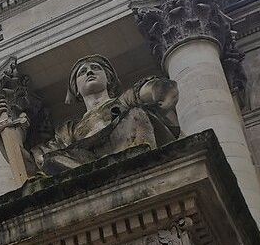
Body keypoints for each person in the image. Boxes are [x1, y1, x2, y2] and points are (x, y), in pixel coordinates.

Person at [32, 54, 179, 175]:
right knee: (52, 159)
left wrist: (158, 89)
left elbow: (143, 92)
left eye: (96, 68)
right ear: (75, 89)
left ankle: (140, 157)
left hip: (127, 148)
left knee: (136, 113)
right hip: (88, 163)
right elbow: (39, 157)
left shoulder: (123, 101)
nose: (89, 72)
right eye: (82, 72)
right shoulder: (68, 129)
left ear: (108, 78)